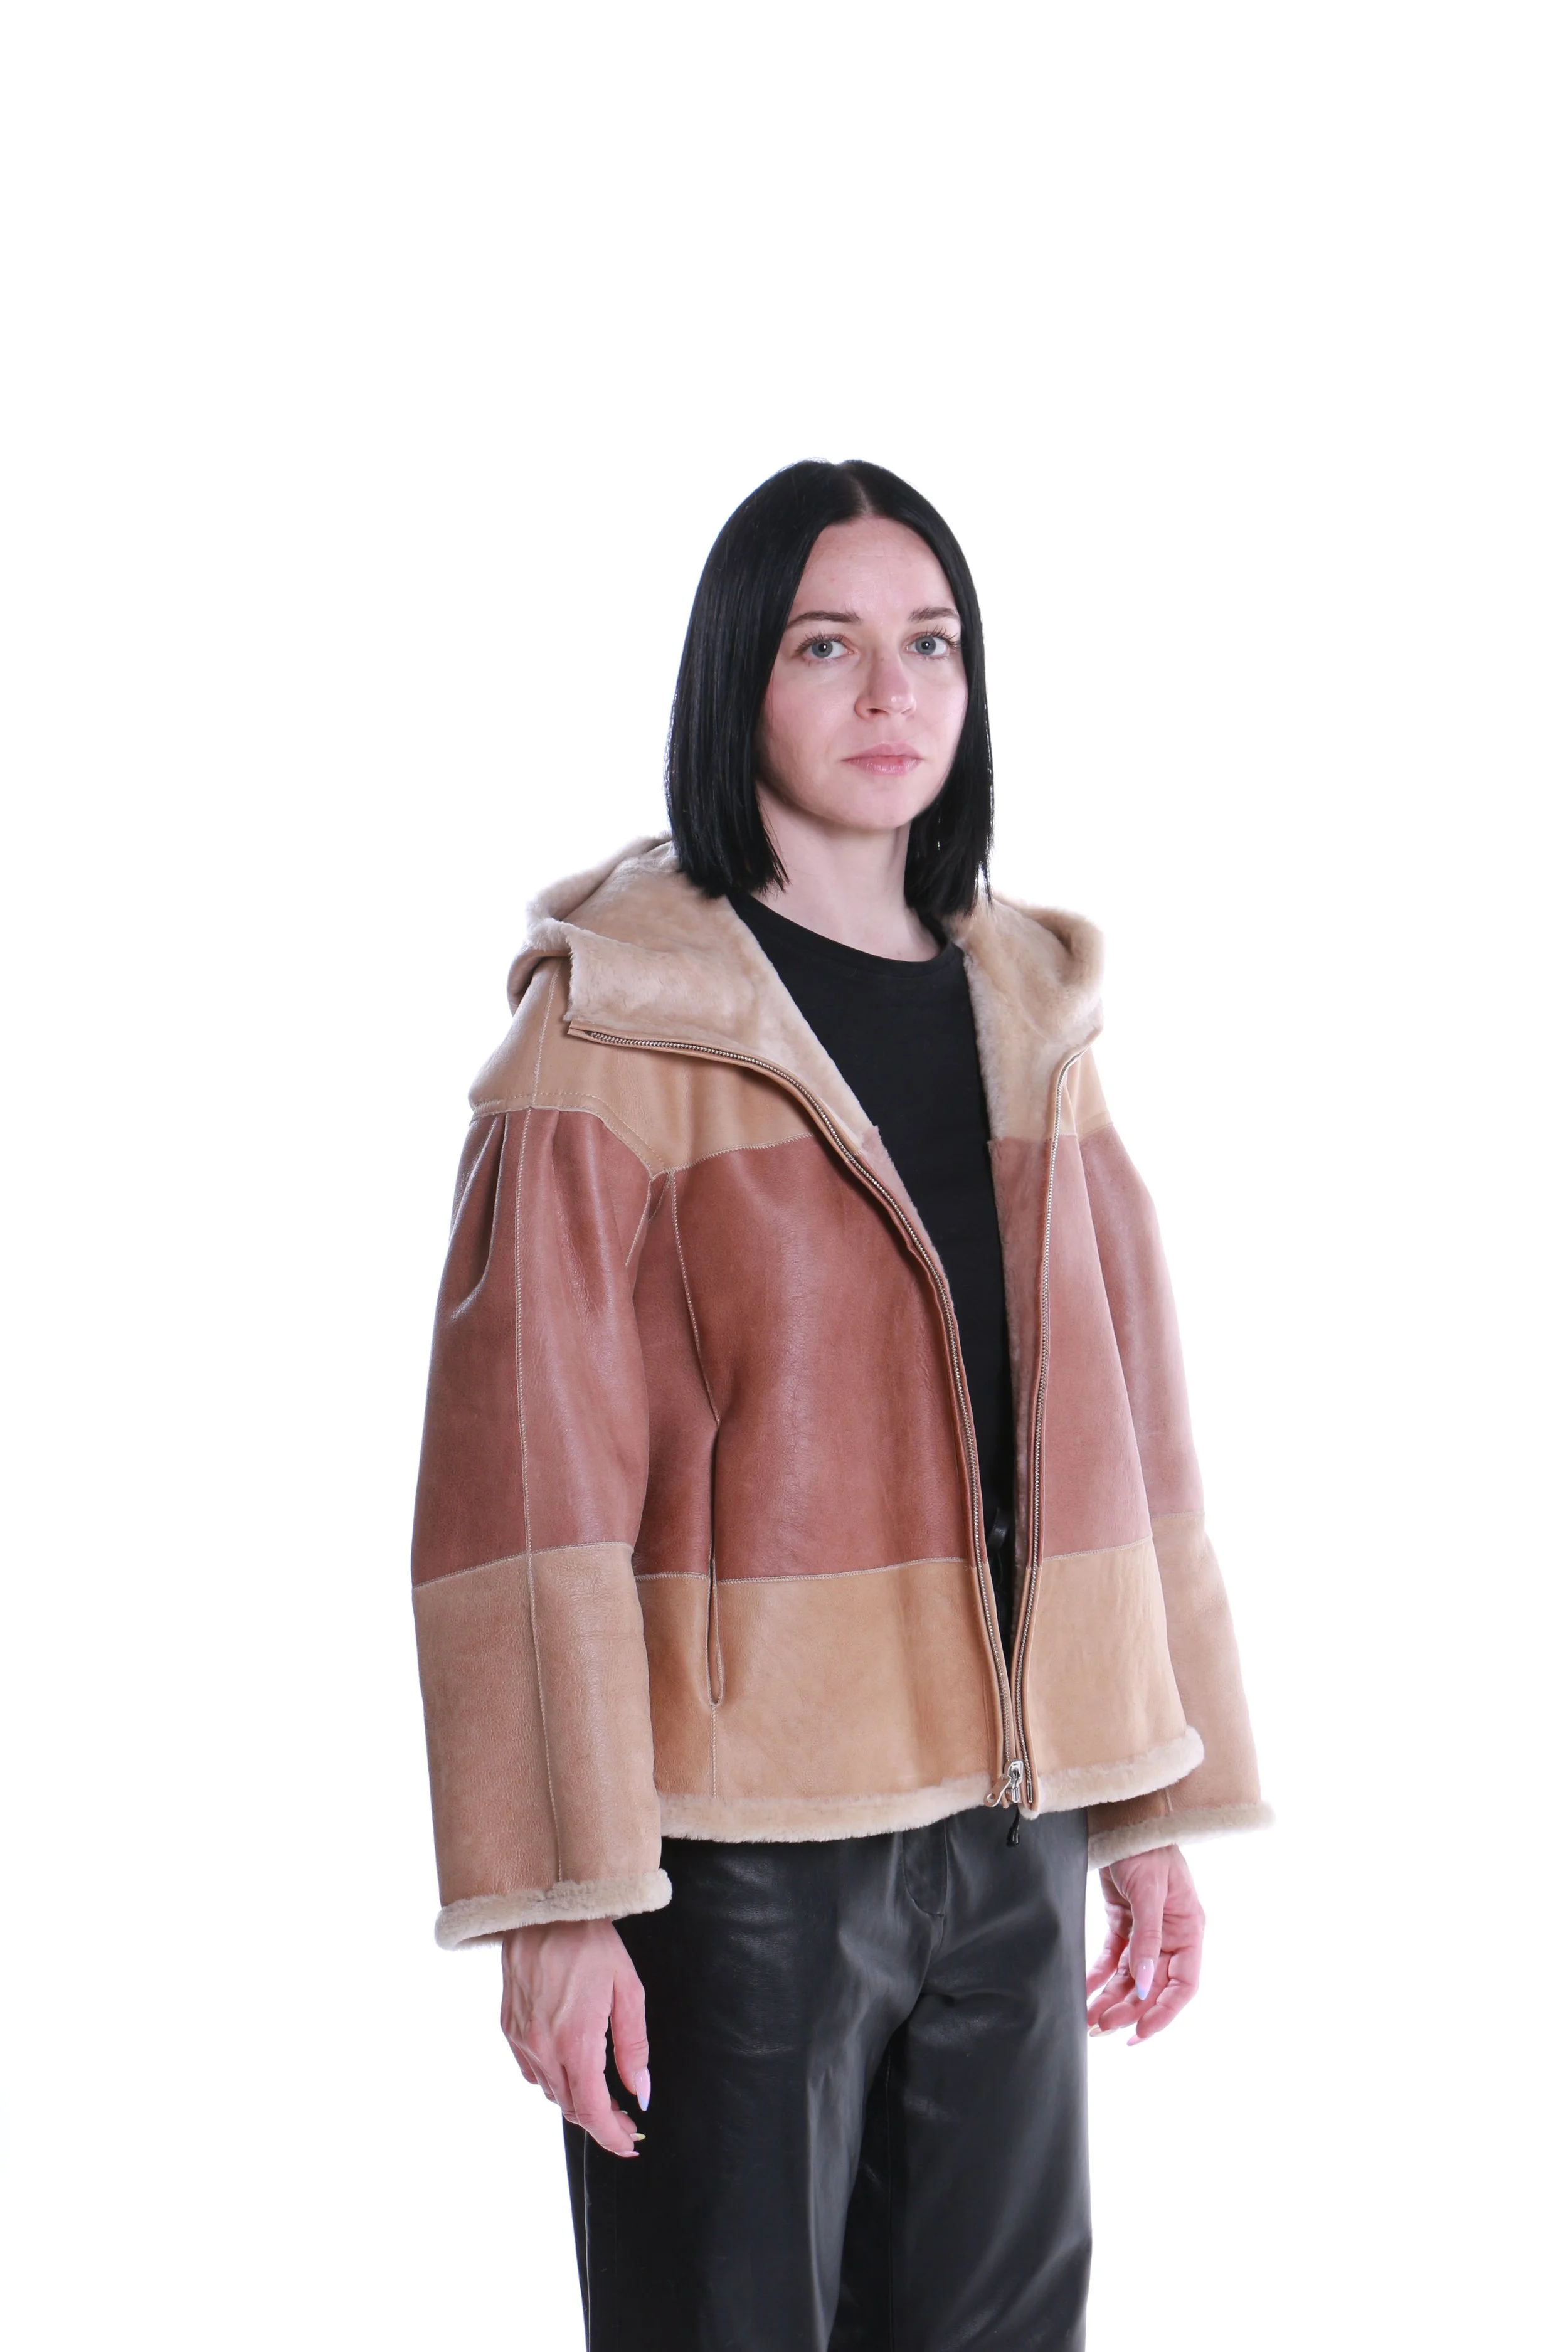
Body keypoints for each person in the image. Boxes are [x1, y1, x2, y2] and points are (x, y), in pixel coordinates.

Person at [410, 458, 1269, 2350]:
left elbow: (1128, 1437)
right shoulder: (609, 1035)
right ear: (740, 678)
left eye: (930, 643)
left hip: (1012, 1832)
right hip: (735, 1860)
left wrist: (1148, 1800)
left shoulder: (1034, 1014)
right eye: (827, 646)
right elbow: (525, 1495)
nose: (892, 692)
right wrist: (556, 1895)